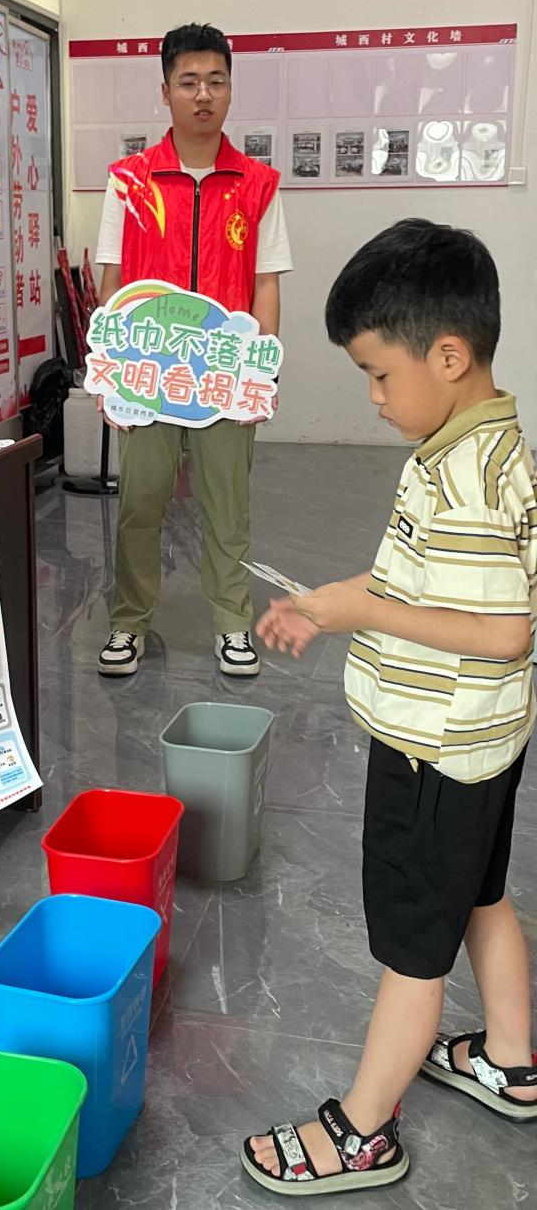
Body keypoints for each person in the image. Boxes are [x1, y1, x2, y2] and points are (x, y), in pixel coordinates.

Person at [243, 219, 537, 1196]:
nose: (371, 397)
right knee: (479, 894)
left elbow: (504, 631)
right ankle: (510, 1060)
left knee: (414, 949)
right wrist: (333, 600)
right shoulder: (486, 445)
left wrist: (361, 611)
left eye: (378, 374)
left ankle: (363, 1131)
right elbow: (426, 581)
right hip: (482, 744)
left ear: (447, 356)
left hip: (432, 751)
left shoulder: (462, 476)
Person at [95, 23, 293, 679]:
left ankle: (233, 624)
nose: (203, 94)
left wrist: (259, 372)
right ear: (166, 91)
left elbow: (266, 284)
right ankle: (128, 622)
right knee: (140, 505)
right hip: (148, 372)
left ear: (230, 89)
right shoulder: (128, 181)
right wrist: (112, 376)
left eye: (215, 81)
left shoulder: (258, 183)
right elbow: (112, 282)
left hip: (226, 378)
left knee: (227, 508)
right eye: (189, 82)